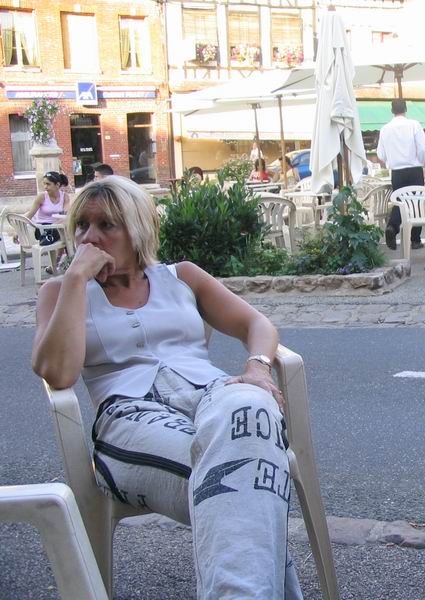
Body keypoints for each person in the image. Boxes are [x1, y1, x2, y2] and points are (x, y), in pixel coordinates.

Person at [31, 176, 302, 599]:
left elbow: (256, 323)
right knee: (247, 475)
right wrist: (75, 280)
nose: (89, 237)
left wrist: (257, 368)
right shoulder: (60, 292)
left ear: (137, 229)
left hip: (211, 394)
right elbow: (57, 374)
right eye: (81, 225)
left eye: (106, 225)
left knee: (253, 405)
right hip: (129, 415)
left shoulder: (182, 277)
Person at [377, 98, 425, 250]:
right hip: (414, 170)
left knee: (400, 201)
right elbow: (423, 149)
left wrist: (391, 159)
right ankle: (415, 239)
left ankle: (393, 226)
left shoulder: (385, 129)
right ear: (406, 109)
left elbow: (381, 155)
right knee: (417, 203)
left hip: (397, 172)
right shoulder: (414, 125)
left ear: (392, 110)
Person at [26, 171, 70, 257]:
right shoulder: (42, 197)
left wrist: (57, 223)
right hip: (43, 229)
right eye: (44, 184)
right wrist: (17, 231)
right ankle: (61, 261)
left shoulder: (65, 196)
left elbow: (65, 214)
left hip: (58, 226)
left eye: (48, 184)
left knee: (67, 229)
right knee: (66, 235)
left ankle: (59, 261)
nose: (45, 187)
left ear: (57, 185)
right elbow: (30, 215)